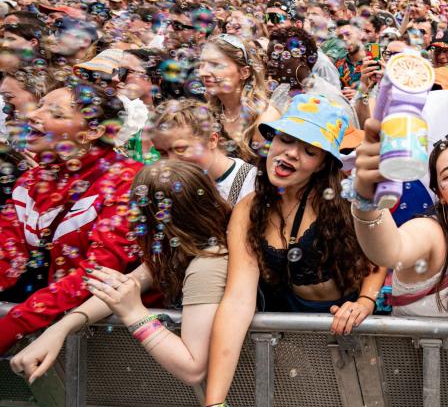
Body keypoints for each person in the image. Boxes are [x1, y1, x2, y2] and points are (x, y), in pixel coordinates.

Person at [195, 93, 384, 407]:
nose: (291, 153)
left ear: (323, 162)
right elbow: (237, 302)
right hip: (295, 340)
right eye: (285, 139)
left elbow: (380, 256)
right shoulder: (249, 209)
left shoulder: (344, 199)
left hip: (357, 331)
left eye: (309, 150)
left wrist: (365, 301)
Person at [10, 161, 230, 385]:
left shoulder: (207, 264)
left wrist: (133, 312)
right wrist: (59, 330)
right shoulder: (183, 249)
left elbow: (192, 369)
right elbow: (126, 284)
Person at [0, 84, 142, 352]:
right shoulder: (31, 180)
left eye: (55, 112)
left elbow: (97, 275)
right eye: (39, 104)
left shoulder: (126, 180)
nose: (33, 115)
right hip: (45, 334)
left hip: (112, 346)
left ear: (92, 132)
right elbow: (6, 257)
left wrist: (11, 326)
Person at [351, 136, 448, 321]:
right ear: (440, 194)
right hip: (406, 349)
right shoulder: (430, 233)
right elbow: (389, 251)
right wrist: (367, 195)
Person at [150, 99, 257, 206]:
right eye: (162, 153)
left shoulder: (250, 183)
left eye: (180, 149)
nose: (171, 161)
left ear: (212, 140)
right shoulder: (171, 186)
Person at [197, 34, 272, 162]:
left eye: (215, 65)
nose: (203, 73)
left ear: (244, 72)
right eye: (201, 65)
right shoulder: (211, 113)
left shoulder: (264, 119)